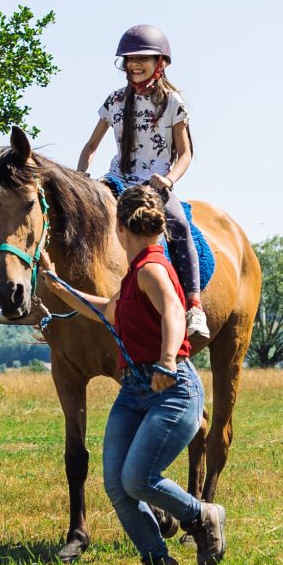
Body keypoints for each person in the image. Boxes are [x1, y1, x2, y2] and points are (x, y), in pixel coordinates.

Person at [39, 185, 227, 565]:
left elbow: (175, 313)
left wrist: (166, 361)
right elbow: (105, 309)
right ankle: (157, 562)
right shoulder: (133, 272)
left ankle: (204, 515)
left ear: (118, 229)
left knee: (138, 478)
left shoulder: (151, 268)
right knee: (117, 485)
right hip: (135, 391)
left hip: (171, 388)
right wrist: (59, 287)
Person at [77, 25, 209, 343]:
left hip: (155, 185)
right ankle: (52, 302)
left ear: (159, 62)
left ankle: (193, 306)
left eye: (142, 58)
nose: (134, 63)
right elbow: (91, 146)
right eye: (129, 58)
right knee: (77, 218)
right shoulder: (115, 100)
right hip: (116, 178)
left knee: (178, 226)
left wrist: (169, 179)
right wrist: (82, 175)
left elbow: (187, 153)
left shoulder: (173, 102)